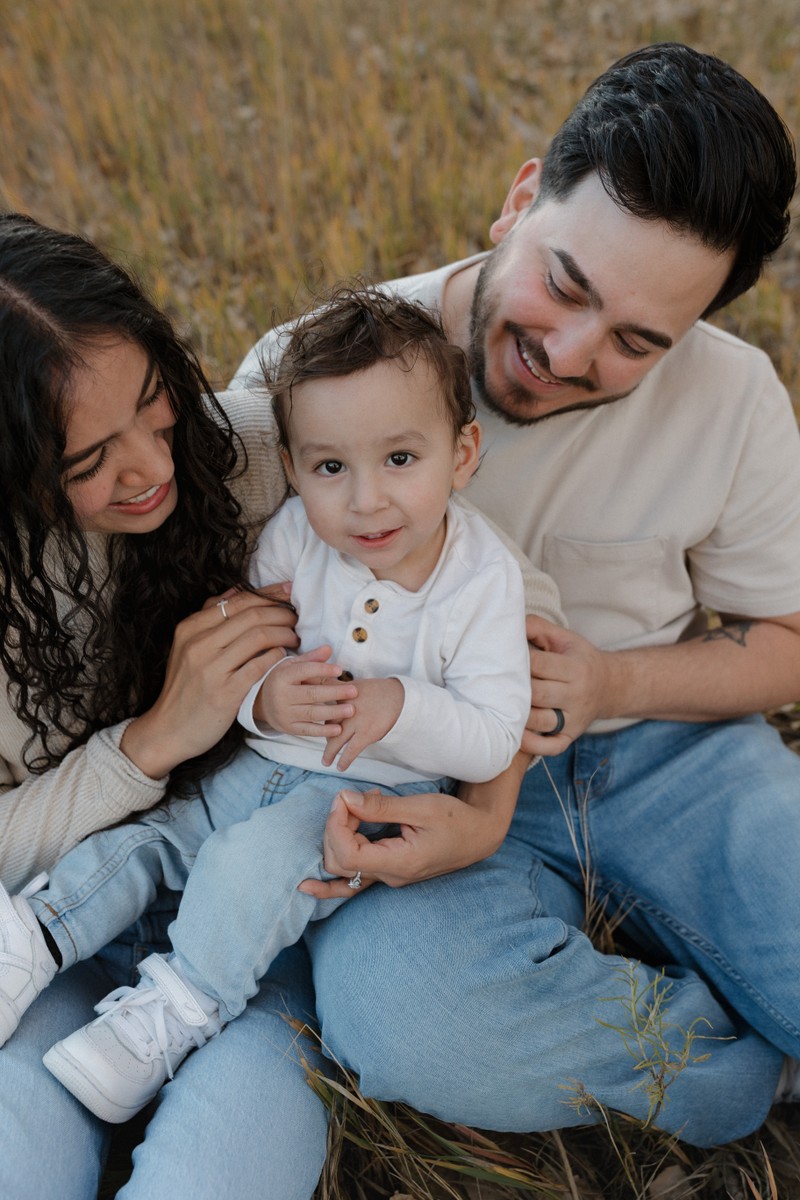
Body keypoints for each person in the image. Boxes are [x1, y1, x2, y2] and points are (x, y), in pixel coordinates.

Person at [232, 43, 800, 1150]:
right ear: (518, 199)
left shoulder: (732, 395)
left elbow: (783, 635)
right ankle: (748, 1070)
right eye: (566, 284)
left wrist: (614, 679)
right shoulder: (318, 373)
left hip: (663, 753)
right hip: (408, 768)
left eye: (636, 341)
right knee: (413, 1027)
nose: (565, 350)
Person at [0, 287, 546, 1125]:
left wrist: (405, 710)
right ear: (296, 467)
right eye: (331, 468)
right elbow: (251, 665)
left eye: (401, 460)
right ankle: (35, 935)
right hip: (253, 765)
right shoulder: (298, 530)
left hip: (353, 796)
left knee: (252, 871)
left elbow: (493, 733)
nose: (364, 501)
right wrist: (264, 699)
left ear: (464, 454)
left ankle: (178, 1007)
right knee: (151, 840)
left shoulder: (480, 580)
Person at [0, 212, 338, 1200]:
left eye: (155, 406)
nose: (151, 468)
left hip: (253, 939)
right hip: (50, 940)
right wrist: (148, 745)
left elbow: (432, 513)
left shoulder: (239, 449)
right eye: (88, 461)